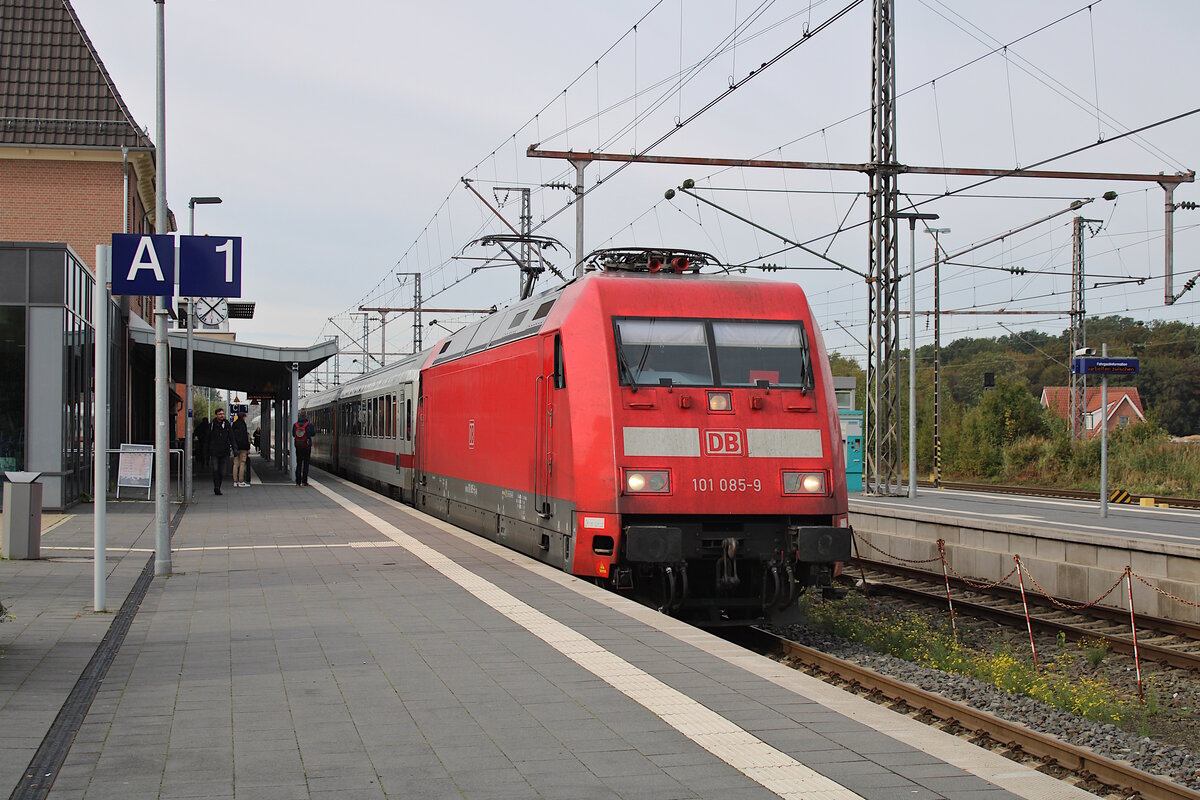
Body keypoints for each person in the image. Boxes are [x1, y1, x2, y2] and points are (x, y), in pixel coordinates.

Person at [206, 408, 237, 495]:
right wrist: (206, 451)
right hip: (214, 451)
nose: (222, 415)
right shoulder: (212, 425)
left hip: (224, 451)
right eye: (220, 414)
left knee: (222, 471)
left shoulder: (226, 424)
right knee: (215, 469)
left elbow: (231, 436)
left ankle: (218, 486)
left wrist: (234, 448)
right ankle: (216, 487)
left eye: (223, 414)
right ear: (216, 415)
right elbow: (207, 438)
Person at [292, 409, 315, 486]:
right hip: (307, 447)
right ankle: (304, 481)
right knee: (306, 464)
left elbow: (293, 434)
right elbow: (313, 434)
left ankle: (298, 482)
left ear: (299, 415)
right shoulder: (309, 425)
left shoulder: (295, 425)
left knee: (299, 464)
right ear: (306, 415)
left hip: (298, 447)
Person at [231, 411, 252, 487]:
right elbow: (245, 437)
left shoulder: (234, 424)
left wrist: (233, 446)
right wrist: (248, 448)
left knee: (235, 464)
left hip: (236, 447)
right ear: (243, 417)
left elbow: (232, 436)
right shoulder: (243, 425)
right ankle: (241, 481)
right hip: (243, 447)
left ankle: (235, 481)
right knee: (242, 463)